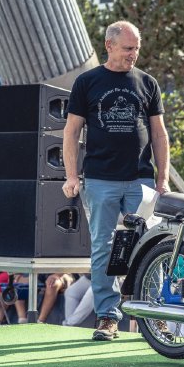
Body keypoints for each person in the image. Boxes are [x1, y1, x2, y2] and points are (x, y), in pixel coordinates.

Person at [63, 20, 170, 341]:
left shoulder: (147, 83)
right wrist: (71, 176)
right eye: (127, 48)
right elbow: (71, 132)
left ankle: (154, 314)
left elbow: (159, 133)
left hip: (141, 180)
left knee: (151, 246)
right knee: (102, 249)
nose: (133, 54)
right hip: (99, 179)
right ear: (108, 46)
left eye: (136, 48)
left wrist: (163, 177)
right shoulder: (87, 82)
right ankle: (108, 318)